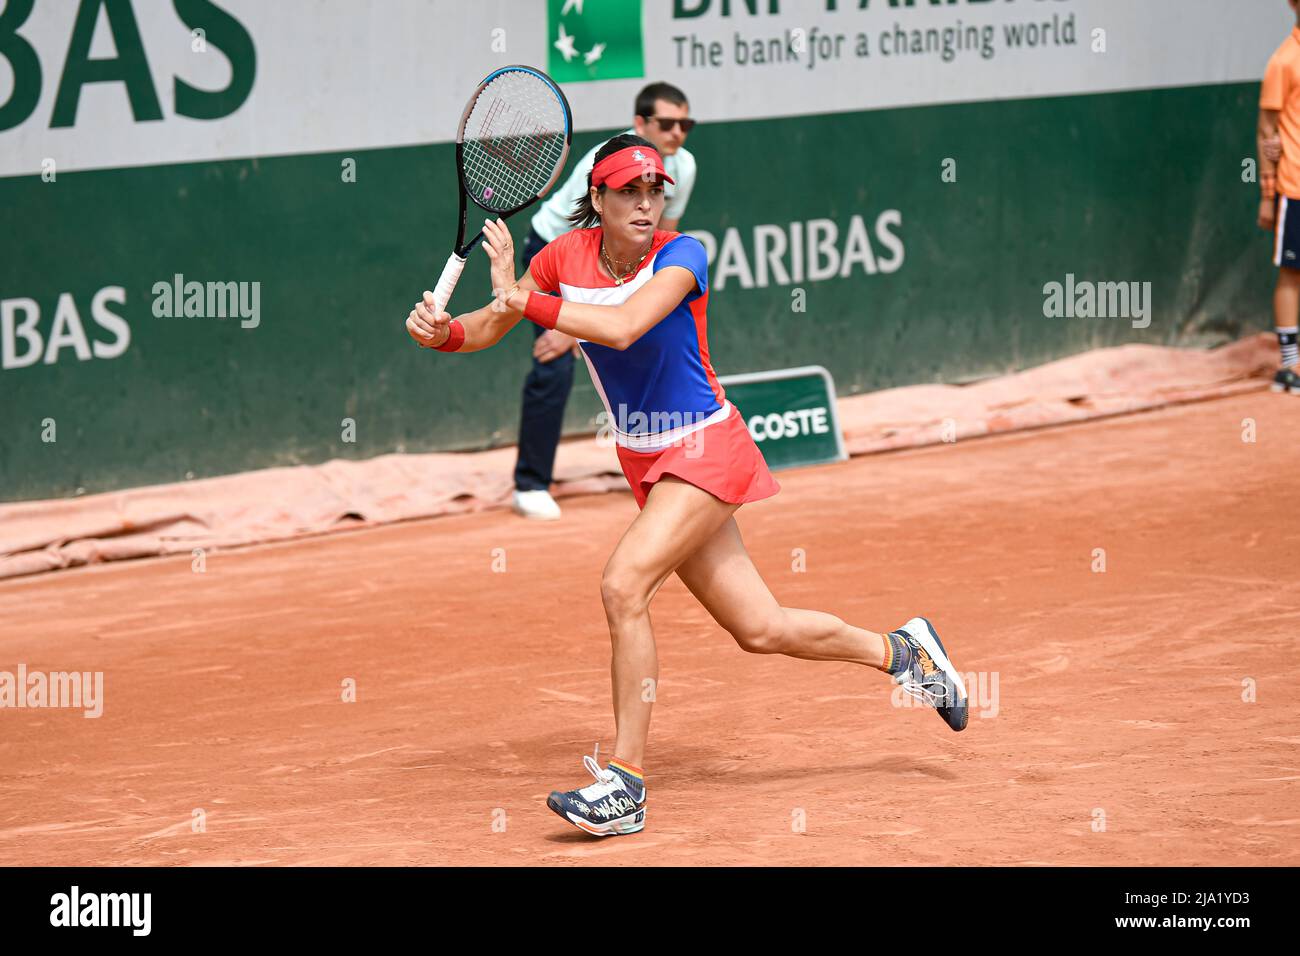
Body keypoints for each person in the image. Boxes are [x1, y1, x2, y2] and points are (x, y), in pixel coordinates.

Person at [404, 135, 968, 838]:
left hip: (705, 446)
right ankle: (903, 652)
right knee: (761, 629)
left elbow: (622, 326)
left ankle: (626, 784)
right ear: (599, 200)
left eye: (655, 192)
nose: (646, 204)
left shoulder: (684, 252)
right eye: (629, 193)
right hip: (646, 462)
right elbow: (495, 320)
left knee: (623, 584)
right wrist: (445, 334)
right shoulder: (561, 259)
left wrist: (523, 297)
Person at [511, 82, 699, 520]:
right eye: (667, 123)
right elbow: (582, 254)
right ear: (641, 123)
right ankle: (530, 484)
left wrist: (577, 331)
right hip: (554, 249)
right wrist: (566, 328)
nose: (677, 133)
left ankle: (665, 462)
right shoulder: (603, 164)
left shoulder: (683, 167)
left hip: (618, 263)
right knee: (553, 360)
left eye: (685, 124)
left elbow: (654, 243)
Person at [1259, 0, 1300, 394]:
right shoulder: (1283, 61)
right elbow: (1267, 131)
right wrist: (1268, 194)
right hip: (1295, 186)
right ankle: (1289, 366)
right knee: (1292, 272)